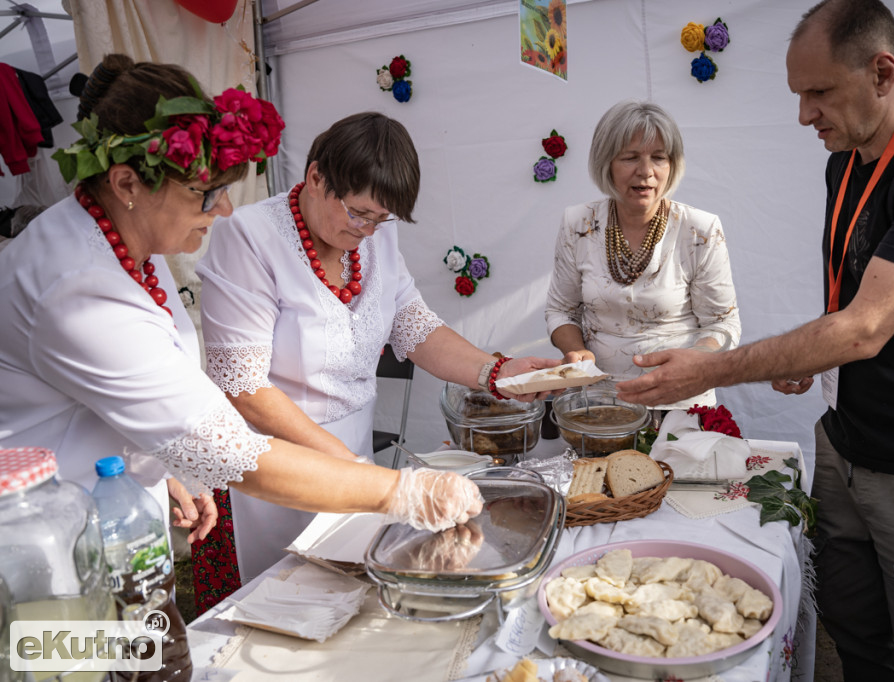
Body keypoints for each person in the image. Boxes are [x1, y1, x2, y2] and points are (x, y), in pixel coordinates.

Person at [616, 1, 894, 679]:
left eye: (819, 92)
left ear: (883, 72)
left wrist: (711, 369)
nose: (805, 115)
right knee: (854, 626)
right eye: (800, 95)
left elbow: (865, 328)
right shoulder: (848, 161)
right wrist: (814, 355)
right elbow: (856, 295)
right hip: (845, 438)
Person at [0, 54, 486, 586]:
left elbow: (143, 383)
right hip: (41, 545)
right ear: (127, 184)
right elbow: (231, 444)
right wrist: (399, 491)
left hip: (102, 514)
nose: (225, 209)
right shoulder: (76, 289)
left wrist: (158, 464)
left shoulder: (131, 240)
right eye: (206, 193)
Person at [196, 112, 559, 581]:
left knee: (347, 584)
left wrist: (498, 372)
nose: (368, 230)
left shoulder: (374, 239)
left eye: (381, 219)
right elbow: (242, 387)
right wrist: (349, 467)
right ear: (315, 177)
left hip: (350, 451)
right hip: (274, 461)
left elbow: (414, 326)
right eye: (359, 213)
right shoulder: (248, 237)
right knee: (281, 592)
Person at [545, 100, 740, 410]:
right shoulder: (578, 223)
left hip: (679, 398)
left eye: (659, 158)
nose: (646, 172)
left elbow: (723, 324)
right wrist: (576, 351)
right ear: (606, 162)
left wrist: (693, 360)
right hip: (597, 399)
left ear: (672, 165)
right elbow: (561, 310)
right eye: (630, 157)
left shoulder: (699, 230)